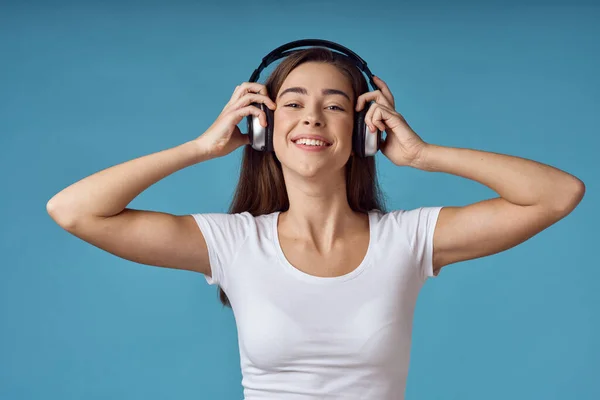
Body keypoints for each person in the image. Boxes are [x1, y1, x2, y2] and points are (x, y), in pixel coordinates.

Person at [46, 42, 585, 399]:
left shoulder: (409, 240)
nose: (311, 117)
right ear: (261, 127)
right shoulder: (233, 244)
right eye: (293, 103)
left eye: (335, 106)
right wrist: (201, 146)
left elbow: (558, 195)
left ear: (363, 132)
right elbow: (73, 210)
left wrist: (423, 155)